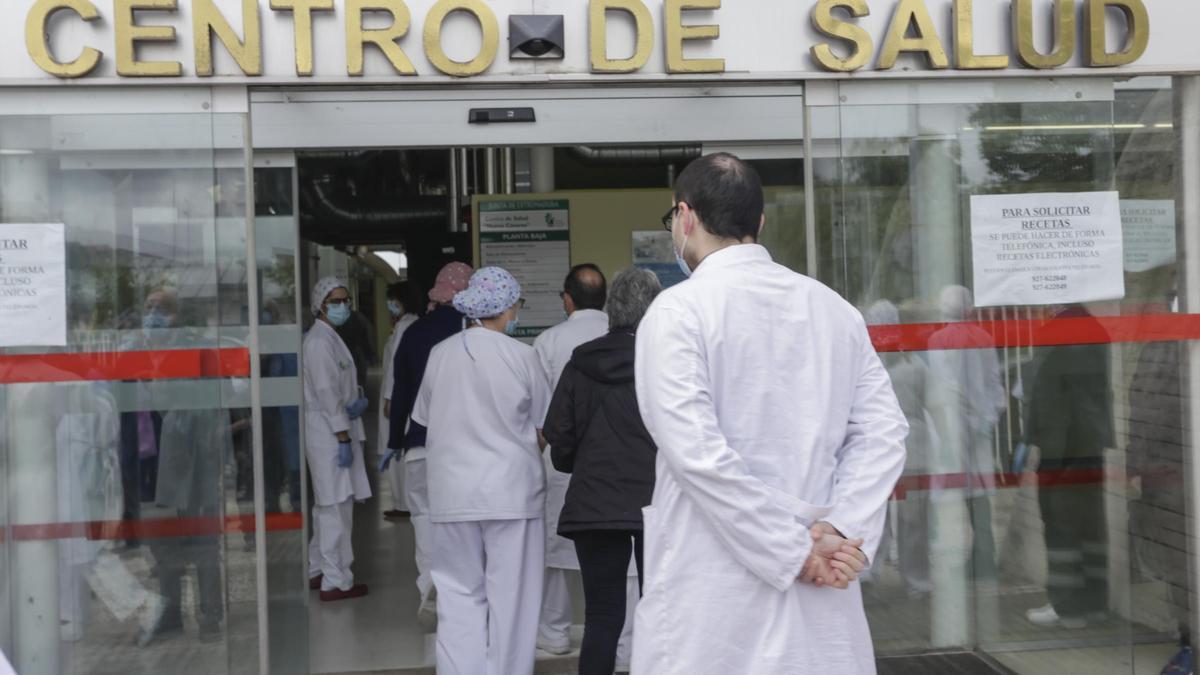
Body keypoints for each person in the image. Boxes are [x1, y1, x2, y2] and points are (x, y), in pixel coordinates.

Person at [632, 153, 908, 674]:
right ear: (757, 223)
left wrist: (792, 552)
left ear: (685, 218)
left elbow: (697, 455)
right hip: (824, 567)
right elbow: (884, 431)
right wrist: (844, 531)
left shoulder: (678, 311)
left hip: (717, 583)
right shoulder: (833, 309)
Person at [411, 267, 551, 675]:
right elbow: (544, 426)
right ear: (506, 307)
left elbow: (423, 416)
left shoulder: (440, 354)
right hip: (512, 494)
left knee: (457, 596)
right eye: (517, 305)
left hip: (453, 494)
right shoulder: (523, 357)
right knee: (513, 599)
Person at [543, 267, 661, 675]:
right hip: (658, 505)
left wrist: (588, 464)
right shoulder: (664, 363)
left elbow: (559, 439)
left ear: (612, 310)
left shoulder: (579, 364)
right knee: (661, 610)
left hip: (593, 503)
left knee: (602, 616)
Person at [531, 263, 618, 657]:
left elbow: (538, 415)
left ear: (567, 299)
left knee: (554, 549)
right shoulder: (626, 335)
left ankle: (555, 632)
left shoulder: (548, 341)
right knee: (626, 559)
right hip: (622, 463)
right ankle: (627, 645)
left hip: (562, 461)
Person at [381, 261, 473, 622]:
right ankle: (459, 593)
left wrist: (394, 442)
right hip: (463, 448)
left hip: (419, 446)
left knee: (423, 519)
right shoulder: (472, 331)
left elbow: (402, 392)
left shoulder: (415, 332)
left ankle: (428, 585)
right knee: (462, 524)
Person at [1023, 305, 1114, 629]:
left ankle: (1067, 607)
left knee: (1061, 527)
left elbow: (1052, 398)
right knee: (1091, 527)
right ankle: (1094, 603)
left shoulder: (1060, 332)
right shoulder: (1095, 329)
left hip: (1061, 448)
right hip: (1089, 446)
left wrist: (1044, 447)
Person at [304, 277, 372, 601]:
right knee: (335, 508)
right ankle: (336, 580)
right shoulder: (319, 343)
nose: (342, 305)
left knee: (329, 506)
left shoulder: (329, 338)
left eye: (345, 300)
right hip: (329, 434)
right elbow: (326, 392)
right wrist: (342, 435)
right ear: (321, 305)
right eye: (335, 300)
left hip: (333, 428)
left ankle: (317, 569)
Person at [379, 281, 425, 520]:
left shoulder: (405, 326)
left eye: (392, 301)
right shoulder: (409, 324)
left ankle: (402, 503)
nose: (389, 305)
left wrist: (390, 398)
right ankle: (402, 501)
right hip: (399, 396)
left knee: (395, 449)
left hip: (396, 397)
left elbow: (397, 369)